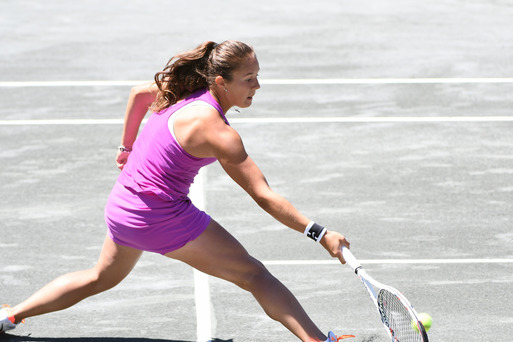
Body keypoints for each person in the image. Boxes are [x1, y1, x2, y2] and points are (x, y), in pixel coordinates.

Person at [0, 40, 354, 342]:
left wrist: (125, 148)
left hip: (123, 207)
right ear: (221, 81)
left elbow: (139, 95)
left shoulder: (180, 89)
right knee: (254, 275)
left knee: (99, 277)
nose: (257, 85)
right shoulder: (218, 132)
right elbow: (263, 195)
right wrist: (319, 233)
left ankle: (10, 316)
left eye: (258, 76)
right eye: (249, 79)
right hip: (161, 218)